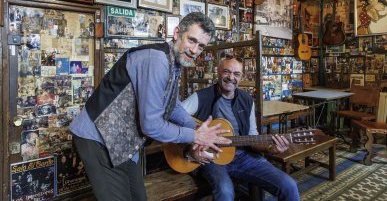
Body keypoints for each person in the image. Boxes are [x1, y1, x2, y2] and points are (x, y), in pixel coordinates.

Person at [69, 12, 231, 201]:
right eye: (192, 40)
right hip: (97, 137)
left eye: (201, 46)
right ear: (177, 33)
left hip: (124, 141)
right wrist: (195, 135)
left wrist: (196, 127)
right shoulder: (157, 59)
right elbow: (152, 125)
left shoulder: (174, 61)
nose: (195, 50)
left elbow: (173, 105)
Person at [182, 56, 300, 201]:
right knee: (225, 192)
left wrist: (270, 148)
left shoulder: (247, 100)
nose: (231, 77)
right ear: (218, 72)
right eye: (226, 72)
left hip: (244, 156)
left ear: (241, 76)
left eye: (236, 74)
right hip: (211, 158)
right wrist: (191, 147)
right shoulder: (200, 97)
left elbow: (252, 136)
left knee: (289, 186)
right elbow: (171, 118)